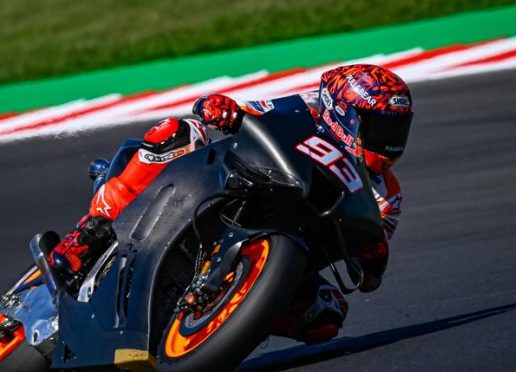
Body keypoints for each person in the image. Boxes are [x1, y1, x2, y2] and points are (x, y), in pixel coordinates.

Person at [50, 64, 413, 344]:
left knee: (327, 317)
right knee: (178, 133)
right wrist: (222, 109)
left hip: (296, 243)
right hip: (239, 189)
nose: (391, 143)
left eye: (398, 130)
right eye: (380, 128)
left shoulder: (388, 194)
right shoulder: (304, 111)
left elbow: (368, 278)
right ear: (341, 113)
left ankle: (228, 321)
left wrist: (373, 256)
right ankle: (90, 233)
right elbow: (241, 112)